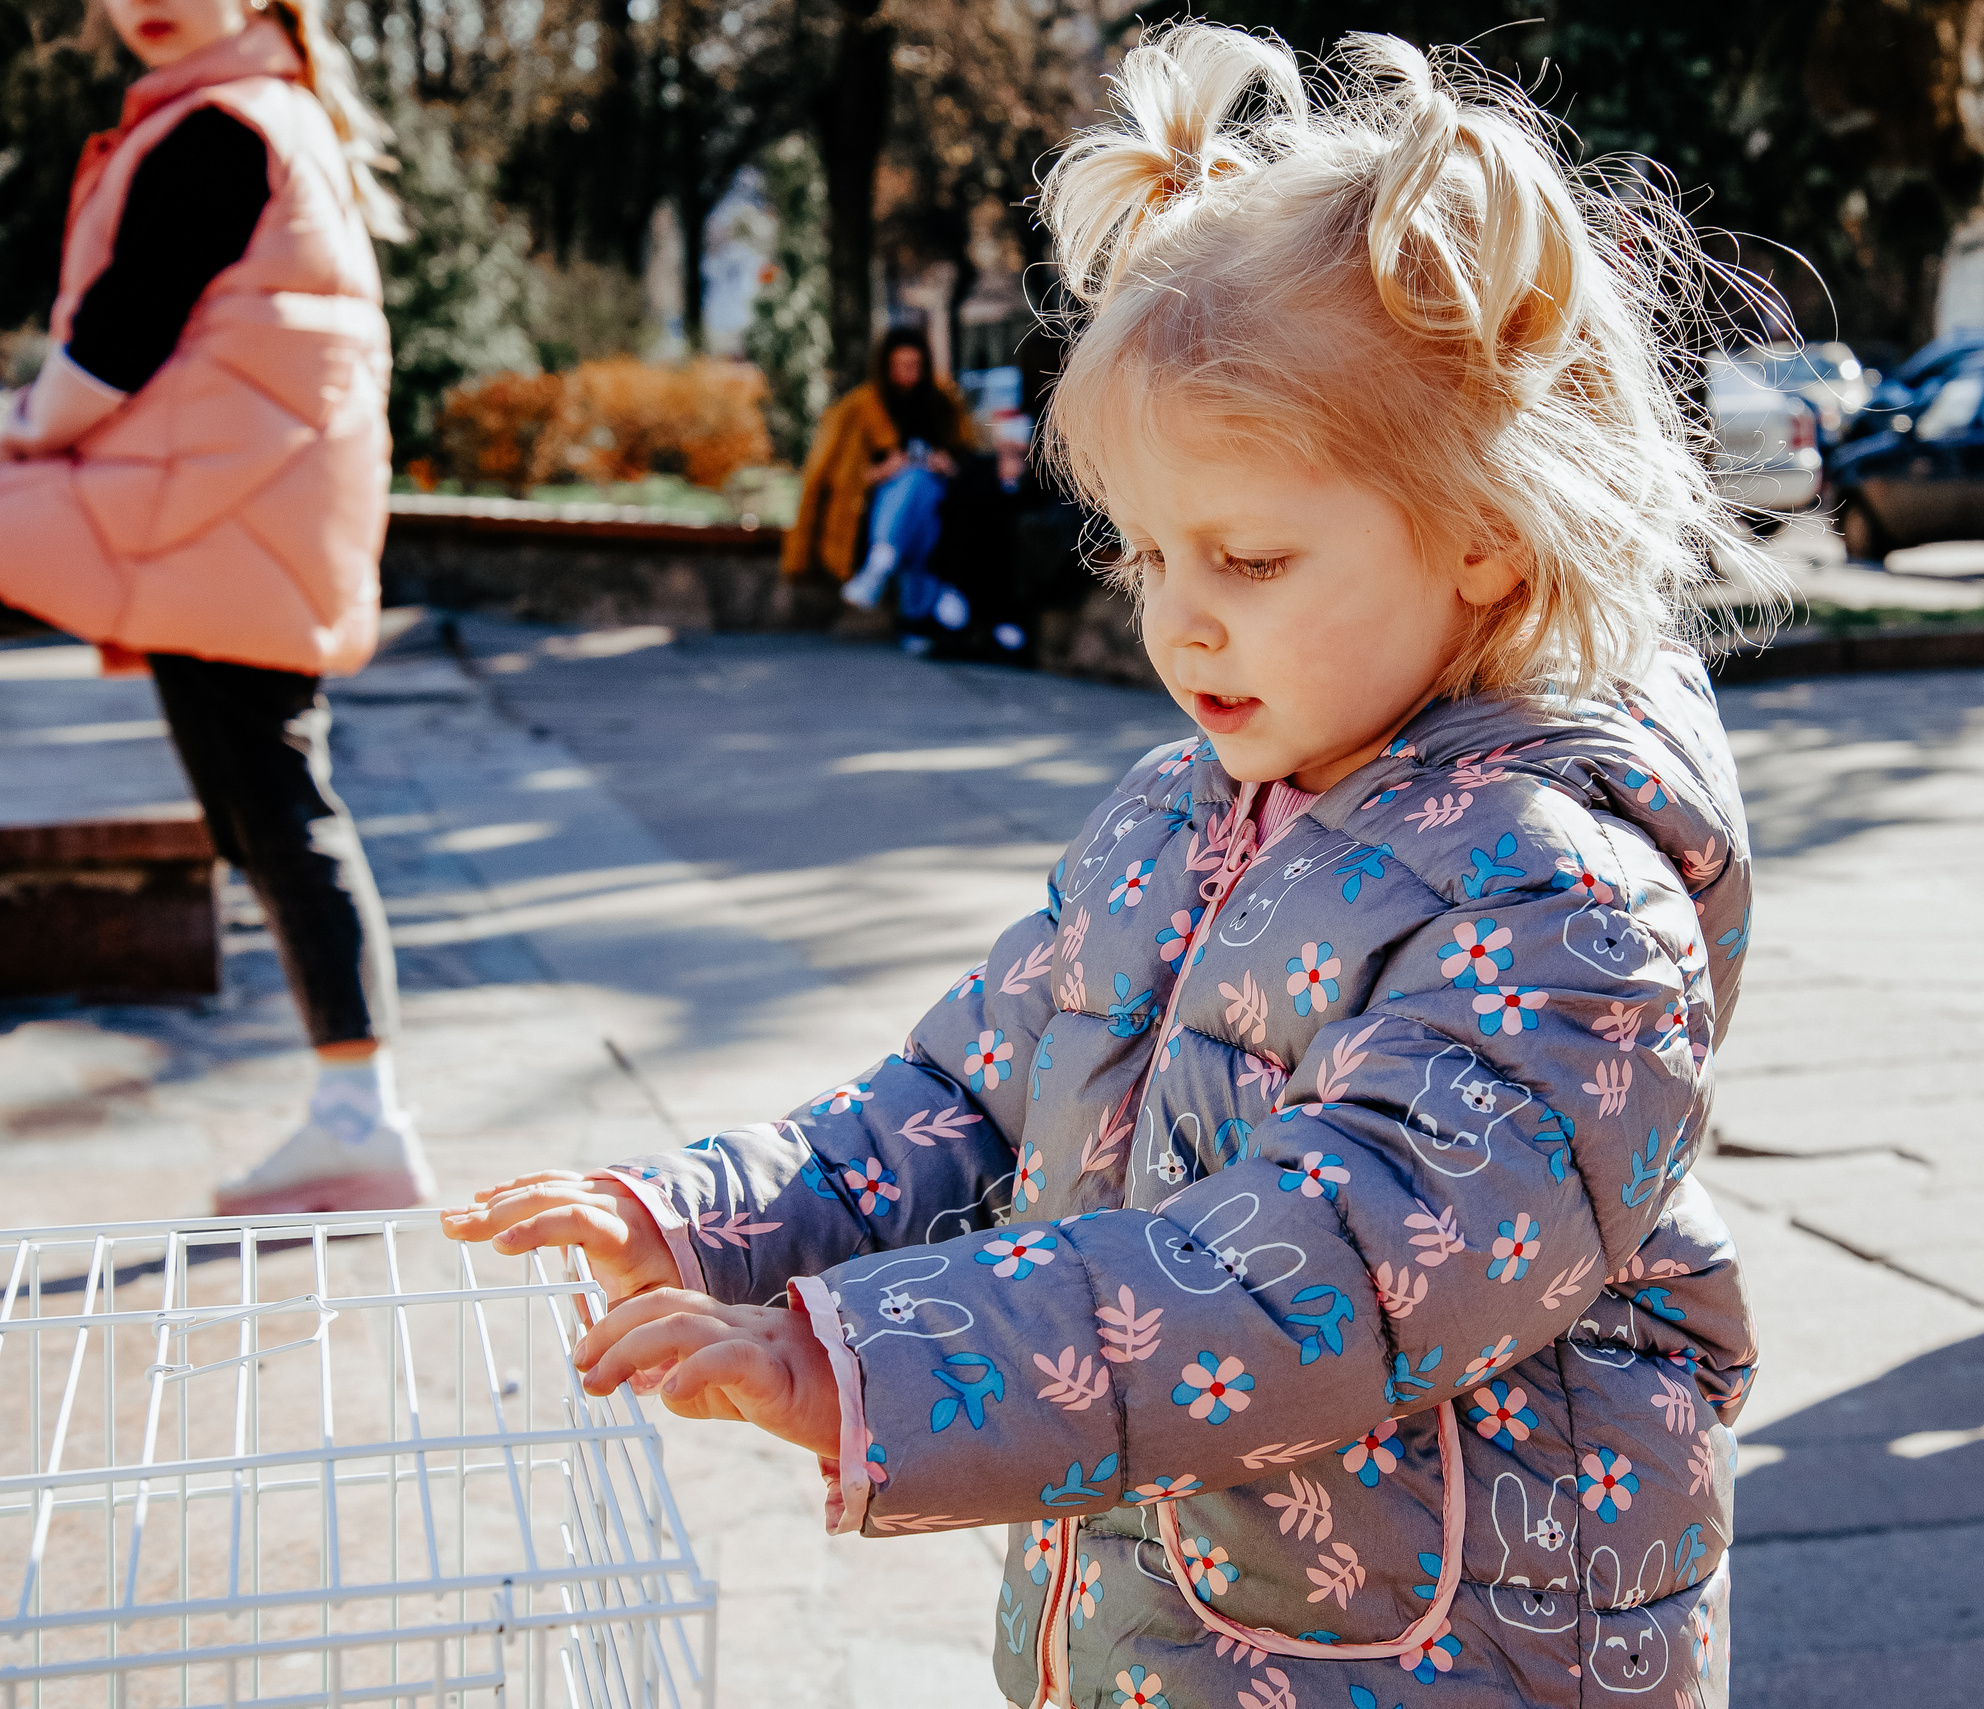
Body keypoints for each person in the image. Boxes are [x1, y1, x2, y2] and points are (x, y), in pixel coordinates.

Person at [447, 25, 1780, 1706]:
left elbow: (1305, 1278)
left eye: (1251, 552)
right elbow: (952, 1095)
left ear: (1486, 532)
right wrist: (709, 1216)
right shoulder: (1180, 809)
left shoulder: (1565, 914)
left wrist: (864, 1355)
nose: (1178, 614)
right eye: (1149, 549)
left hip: (1451, 1660)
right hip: (1179, 1638)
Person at [0, 0, 427, 1216]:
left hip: (221, 517)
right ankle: (356, 1111)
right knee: (265, 807)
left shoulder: (221, 128)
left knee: (281, 807)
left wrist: (24, 421)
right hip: (233, 514)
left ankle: (361, 1116)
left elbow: (110, 350)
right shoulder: (259, 116)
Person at [782, 325, 980, 600]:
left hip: (937, 503)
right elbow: (838, 475)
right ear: (886, 366)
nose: (908, 374)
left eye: (915, 365)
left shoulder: (943, 406)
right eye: (901, 366)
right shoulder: (859, 409)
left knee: (922, 486)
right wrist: (882, 472)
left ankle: (882, 559)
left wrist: (946, 465)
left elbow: (969, 459)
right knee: (913, 483)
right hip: (872, 506)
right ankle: (920, 610)